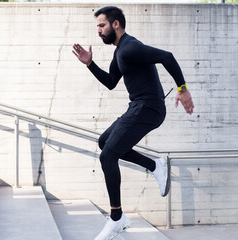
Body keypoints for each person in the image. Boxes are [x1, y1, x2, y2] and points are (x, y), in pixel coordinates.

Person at [72, 6, 194, 240]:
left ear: (115, 24)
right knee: (104, 142)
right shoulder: (120, 53)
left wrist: (183, 89)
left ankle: (117, 218)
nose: (98, 30)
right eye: (97, 26)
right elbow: (110, 82)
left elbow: (166, 56)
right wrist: (90, 64)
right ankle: (154, 165)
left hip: (148, 108)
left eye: (102, 25)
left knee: (108, 156)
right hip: (138, 108)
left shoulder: (130, 48)